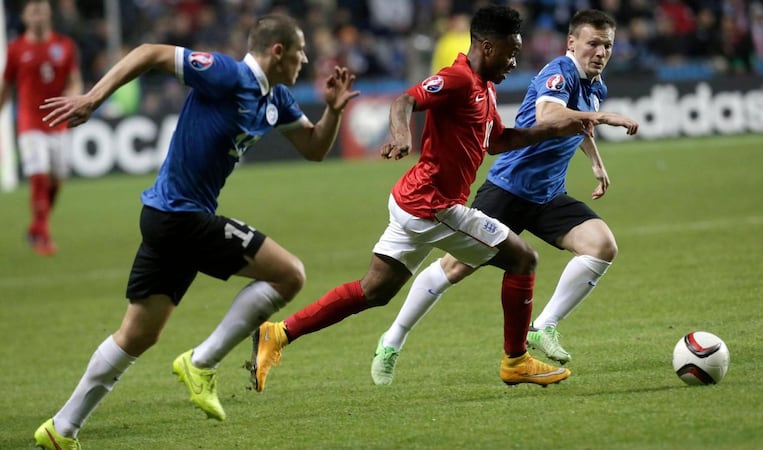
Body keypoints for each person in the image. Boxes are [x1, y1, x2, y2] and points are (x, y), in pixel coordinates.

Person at [33, 13, 359, 449]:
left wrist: (334, 113)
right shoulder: (227, 74)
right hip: (179, 216)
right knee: (289, 274)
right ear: (278, 51)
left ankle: (61, 428)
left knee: (138, 334)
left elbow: (315, 147)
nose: (305, 60)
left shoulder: (277, 98)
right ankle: (202, 363)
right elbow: (150, 53)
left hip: (170, 220)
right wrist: (93, 98)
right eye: (300, 52)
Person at [247, 5, 596, 394]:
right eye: (511, 52)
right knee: (523, 258)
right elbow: (404, 102)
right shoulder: (457, 78)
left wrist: (551, 130)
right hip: (434, 206)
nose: (515, 61)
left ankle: (277, 334)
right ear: (487, 45)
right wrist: (400, 133)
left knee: (373, 291)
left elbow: (498, 141)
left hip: (413, 202)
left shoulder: (485, 88)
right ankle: (516, 360)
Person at [370, 9, 639, 385]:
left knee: (601, 245)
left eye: (607, 45)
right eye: (593, 43)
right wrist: (603, 118)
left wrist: (596, 162)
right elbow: (549, 114)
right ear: (572, 43)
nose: (600, 52)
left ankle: (542, 327)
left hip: (547, 195)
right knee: (454, 269)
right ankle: (393, 338)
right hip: (508, 190)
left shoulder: (596, 86)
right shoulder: (558, 72)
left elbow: (576, 126)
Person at [0, 0, 82, 255]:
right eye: (32, 11)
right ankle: (44, 238)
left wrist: (74, 97)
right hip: (29, 123)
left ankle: (36, 227)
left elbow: (74, 81)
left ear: (49, 14)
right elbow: (6, 87)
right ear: (25, 16)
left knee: (56, 179)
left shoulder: (64, 46)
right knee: (39, 176)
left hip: (57, 123)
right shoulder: (15, 50)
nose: (38, 15)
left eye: (41, 10)